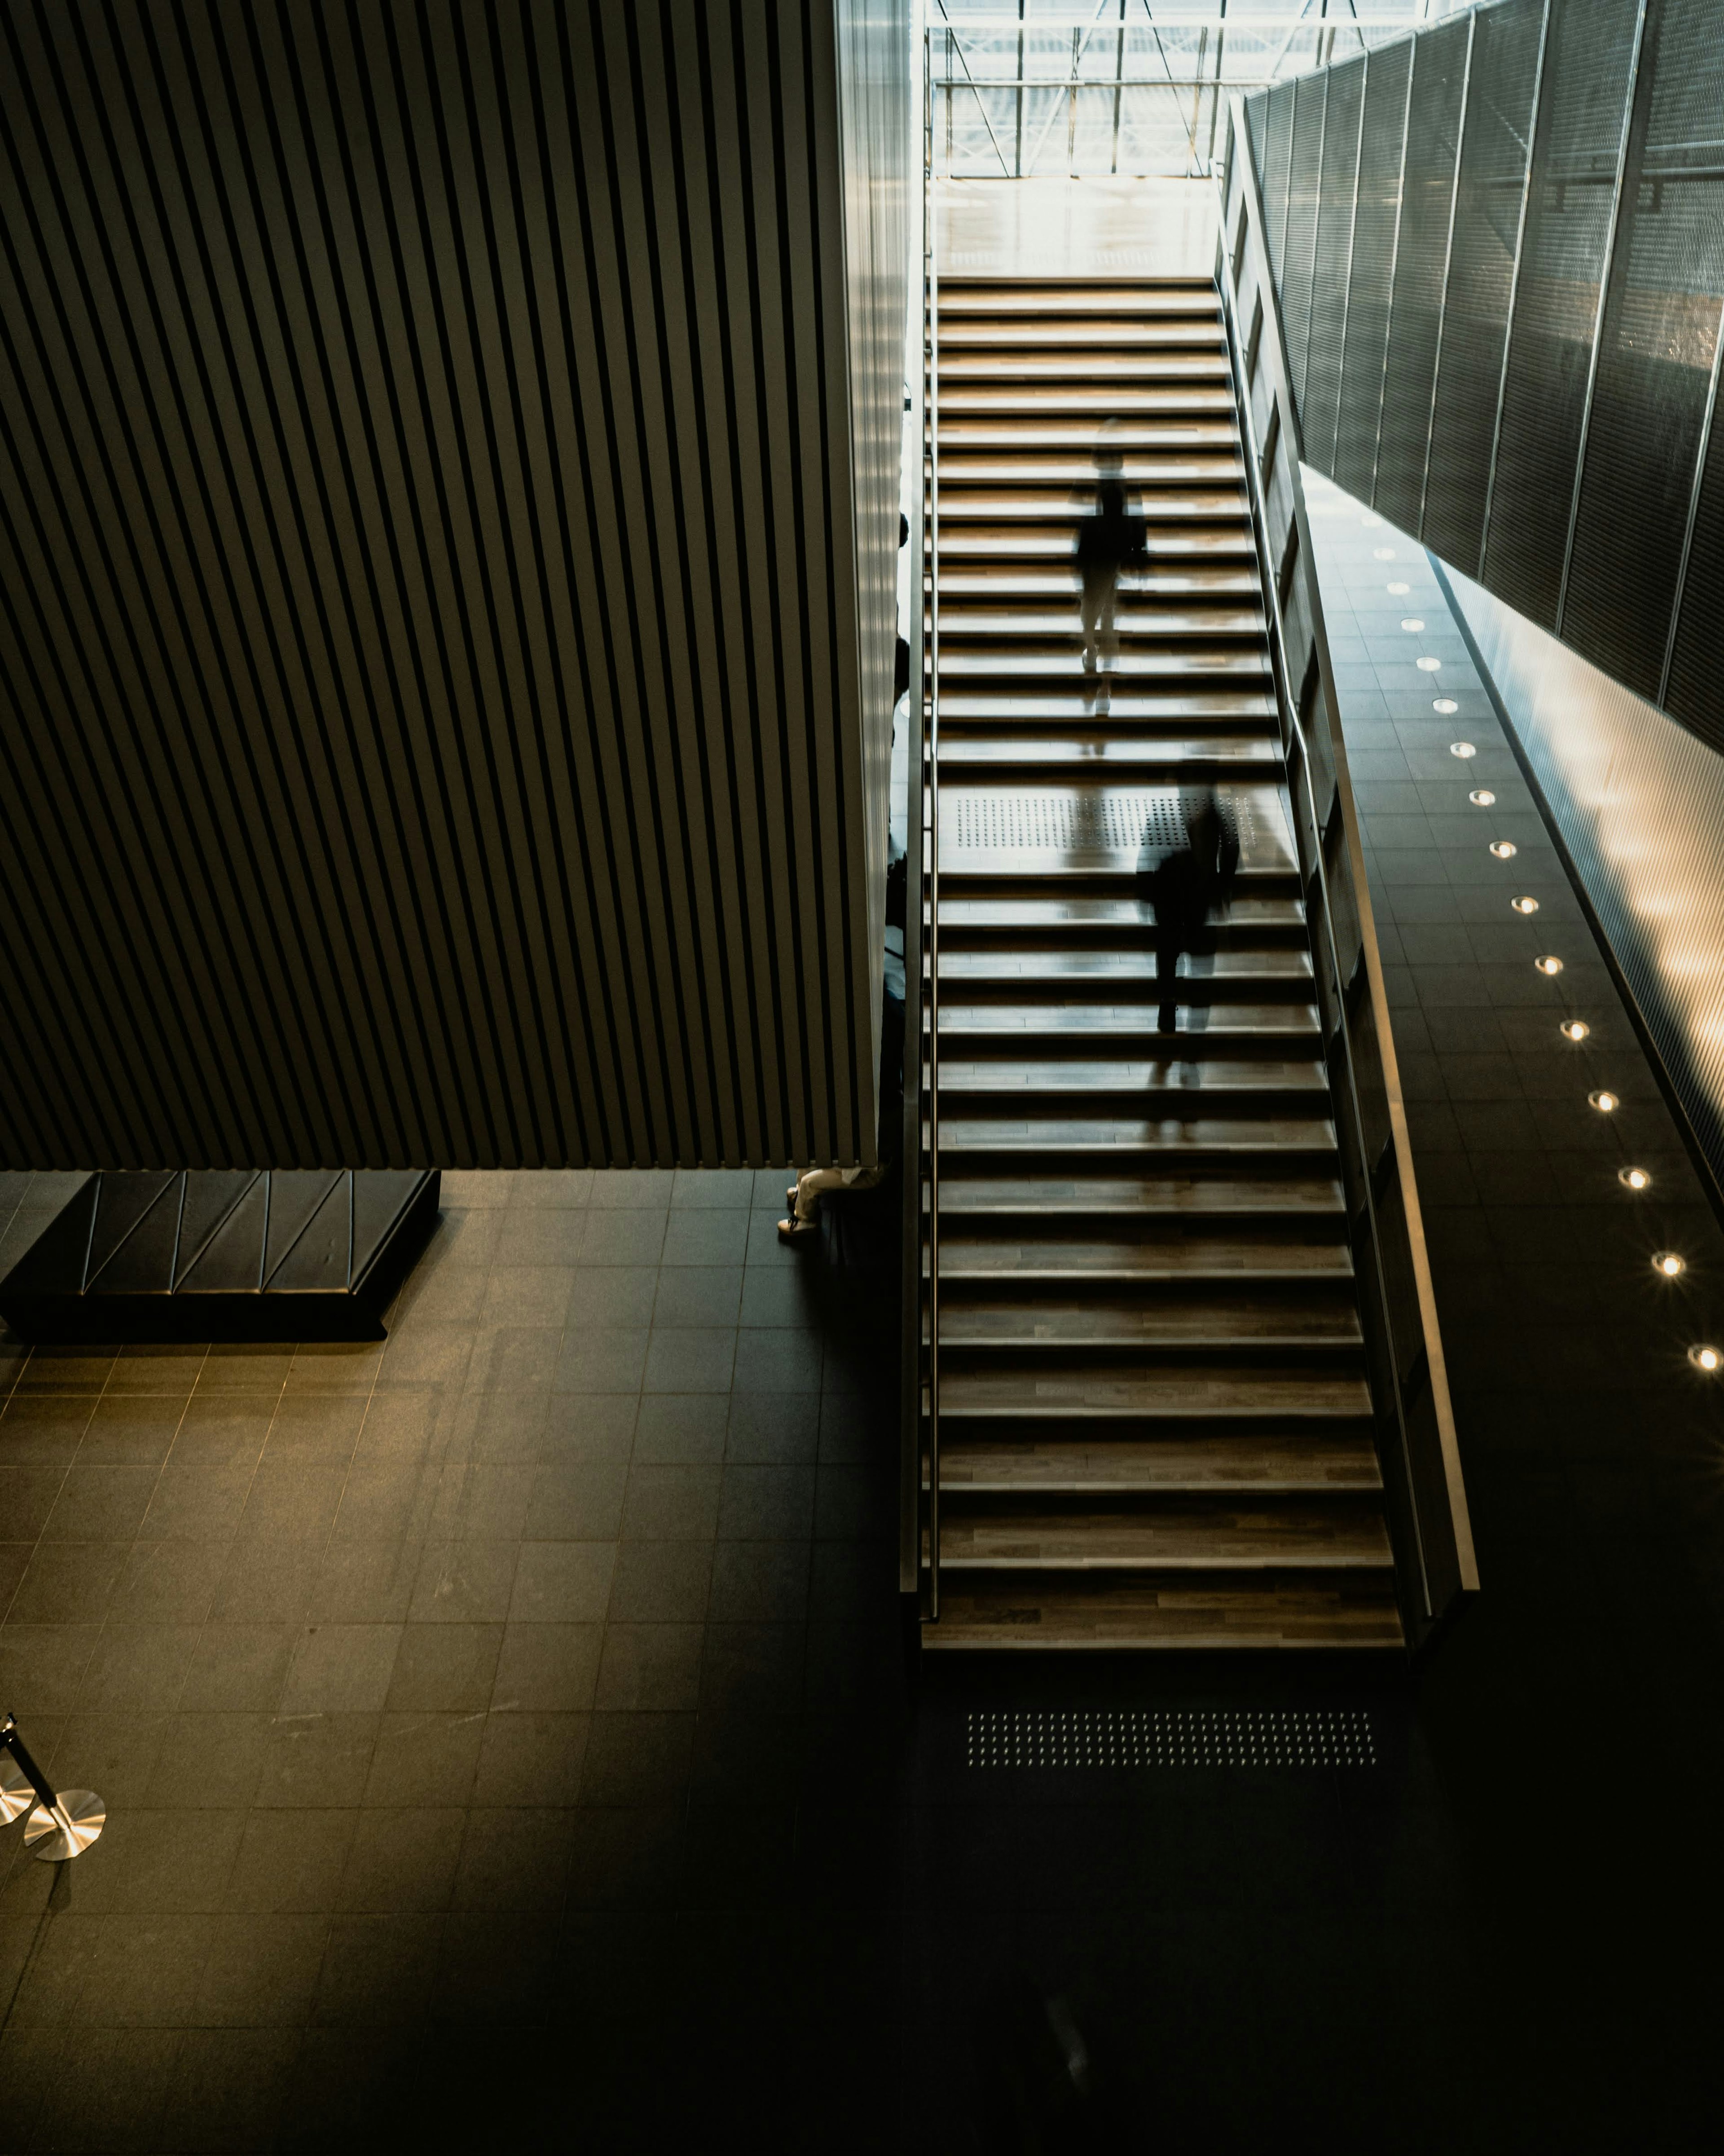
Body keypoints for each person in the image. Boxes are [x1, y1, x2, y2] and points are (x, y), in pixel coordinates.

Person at [1141, 789, 1238, 1035]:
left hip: (1181, 892)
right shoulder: (1214, 815)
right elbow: (1230, 851)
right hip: (1186, 893)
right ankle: (1175, 1006)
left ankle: (1168, 1004)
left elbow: (1149, 853)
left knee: (1168, 950)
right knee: (1176, 949)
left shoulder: (1170, 816)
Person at [1074, 442, 1145, 680]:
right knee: (1107, 616)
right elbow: (1136, 546)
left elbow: (1081, 557)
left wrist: (1082, 581)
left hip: (1093, 576)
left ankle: (1092, 651)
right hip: (1111, 574)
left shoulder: (1090, 525)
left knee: (1088, 618)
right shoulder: (1127, 525)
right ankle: (1106, 678)